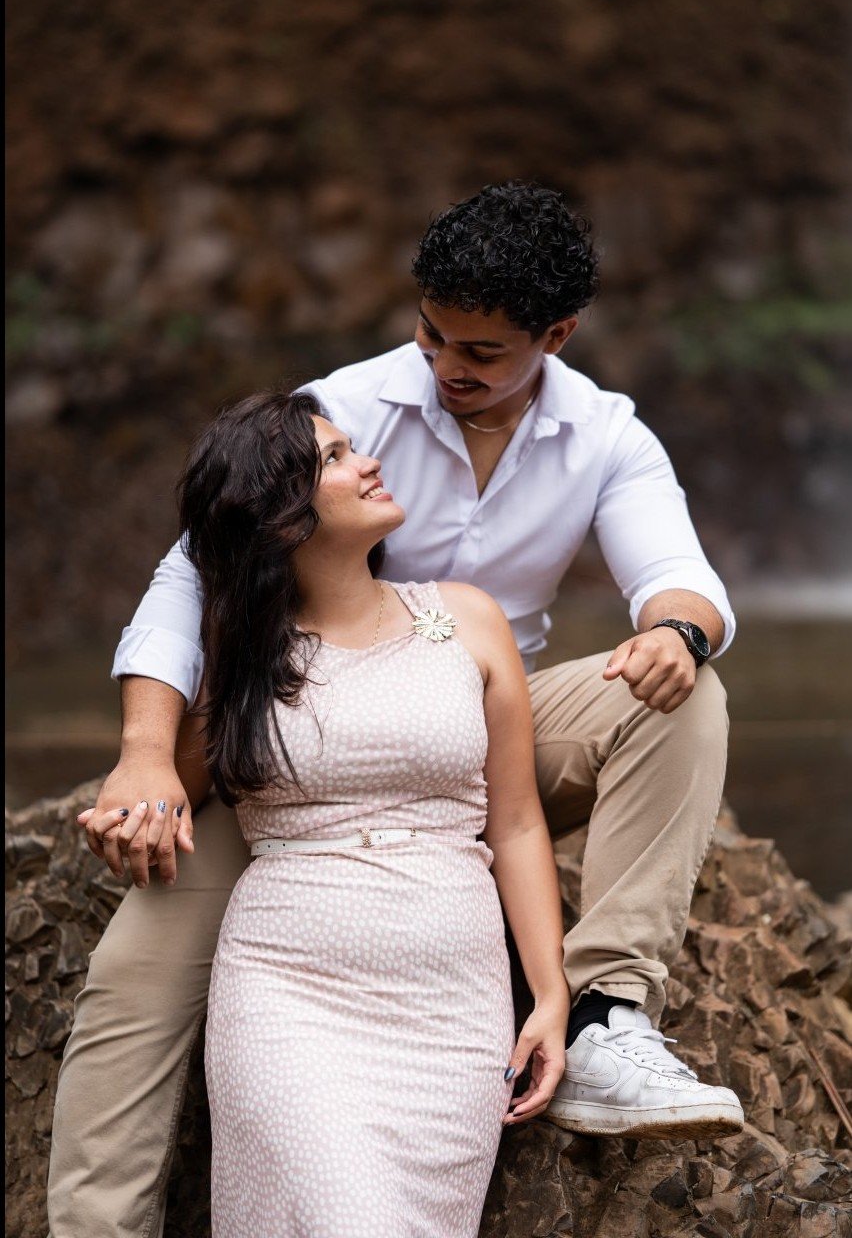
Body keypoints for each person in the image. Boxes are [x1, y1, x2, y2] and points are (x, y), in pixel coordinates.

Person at [49, 182, 743, 1238]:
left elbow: (681, 579)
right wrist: (148, 753)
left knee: (683, 694)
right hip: (289, 749)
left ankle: (604, 1015)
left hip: (473, 727)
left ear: (555, 336)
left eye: (481, 352)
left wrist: (675, 633)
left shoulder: (607, 436)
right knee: (131, 982)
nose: (446, 364)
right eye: (431, 333)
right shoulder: (348, 408)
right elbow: (189, 574)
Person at [168, 390, 569, 1234]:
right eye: (336, 458)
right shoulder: (237, 654)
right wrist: (139, 776)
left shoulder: (468, 618)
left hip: (451, 1011)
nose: (370, 462)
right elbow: (170, 785)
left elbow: (517, 823)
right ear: (280, 512)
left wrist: (549, 992)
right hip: (289, 996)